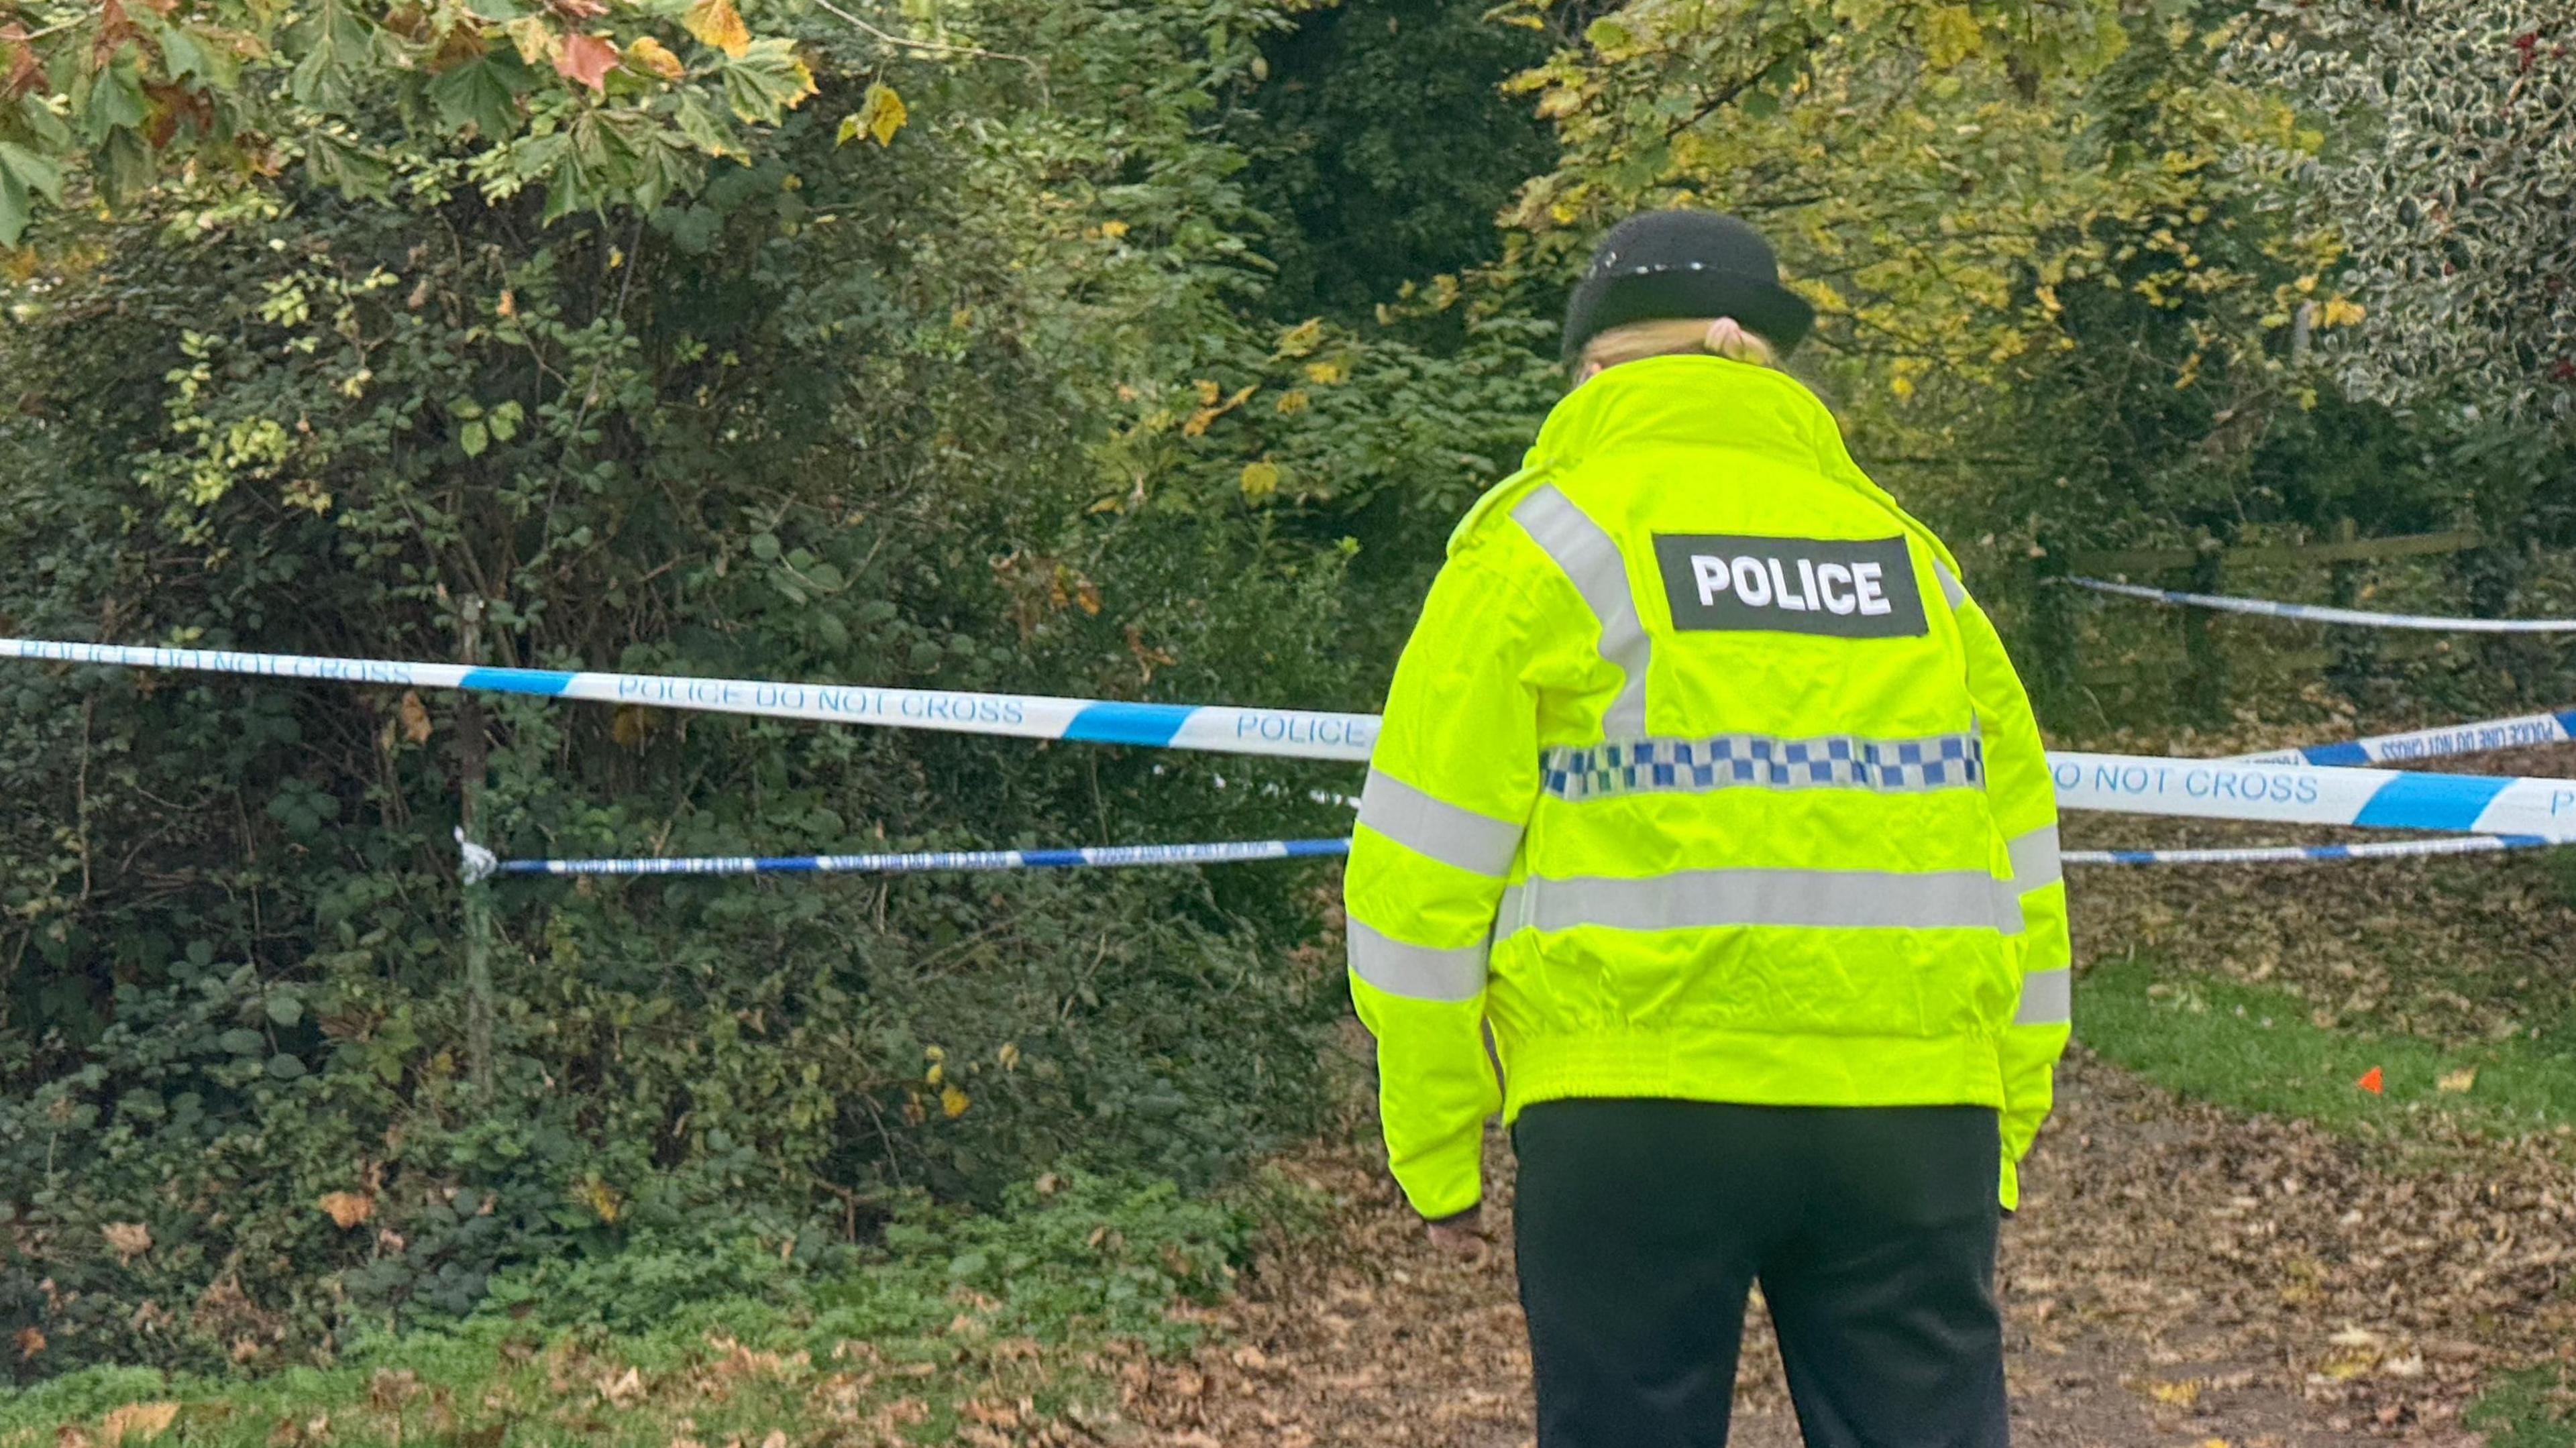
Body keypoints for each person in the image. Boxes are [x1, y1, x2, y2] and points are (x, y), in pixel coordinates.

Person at [1342, 209, 2071, 1448]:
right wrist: (2004, 1118)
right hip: (1907, 1115)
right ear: (1754, 352)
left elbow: (1420, 878)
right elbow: (2022, 868)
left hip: (1629, 1110)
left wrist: (1435, 1142)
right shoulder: (1911, 565)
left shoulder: (1538, 547)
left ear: (1594, 368)